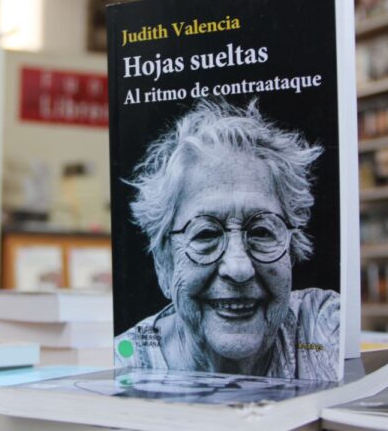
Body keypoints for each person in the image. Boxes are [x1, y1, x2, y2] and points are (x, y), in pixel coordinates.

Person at [114, 98, 340, 381]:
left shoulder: (322, 326)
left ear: (291, 251)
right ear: (164, 263)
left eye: (261, 232)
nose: (239, 268)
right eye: (206, 234)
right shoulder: (125, 364)